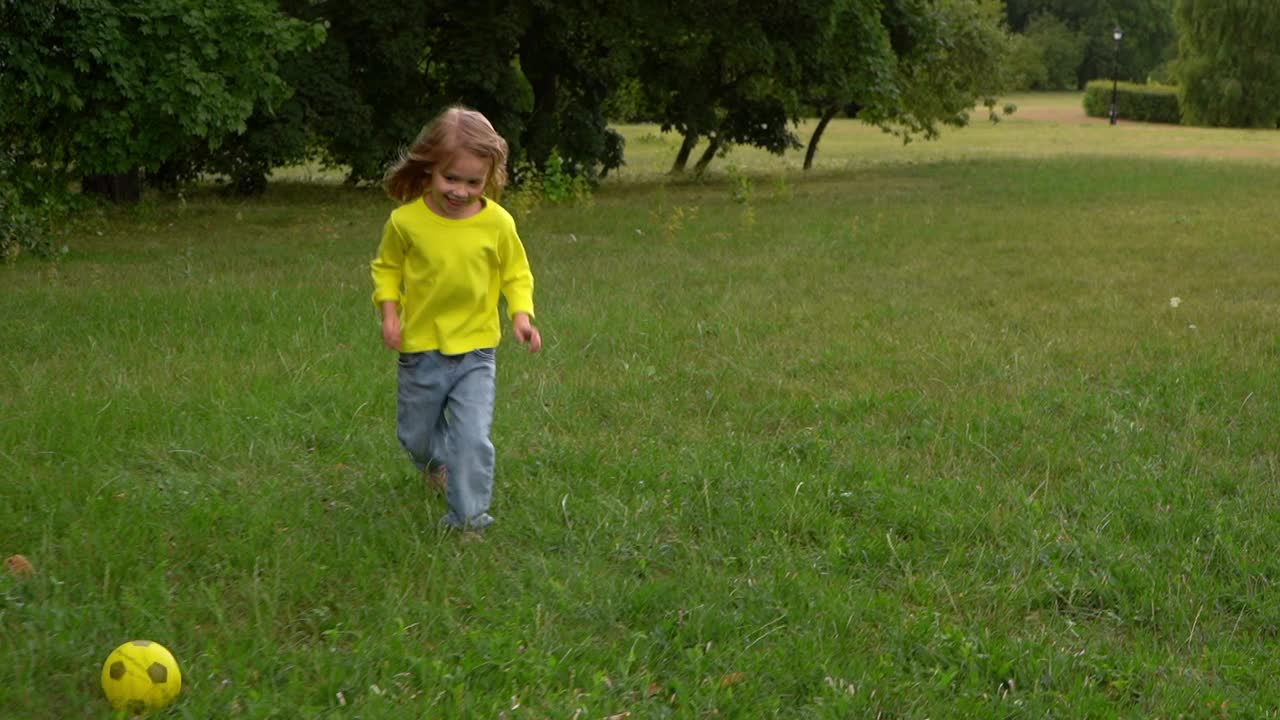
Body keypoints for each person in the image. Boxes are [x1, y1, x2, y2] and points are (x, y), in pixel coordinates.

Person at [370, 105, 541, 532]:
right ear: (429, 168)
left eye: (473, 182)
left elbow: (515, 272)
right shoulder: (406, 222)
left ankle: (468, 521)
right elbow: (387, 268)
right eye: (451, 178)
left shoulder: (497, 223)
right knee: (417, 439)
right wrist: (389, 312)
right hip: (420, 350)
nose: (461, 191)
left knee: (471, 440)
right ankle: (437, 465)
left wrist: (521, 315)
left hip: (476, 352)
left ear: (489, 179)